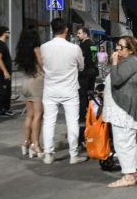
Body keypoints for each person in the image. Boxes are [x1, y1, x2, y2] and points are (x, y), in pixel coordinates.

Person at [40, 18, 87, 165]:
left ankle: (48, 154)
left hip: (50, 89)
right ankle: (73, 155)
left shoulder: (44, 47)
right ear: (66, 30)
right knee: (72, 122)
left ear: (52, 29)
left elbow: (43, 65)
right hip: (70, 89)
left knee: (48, 121)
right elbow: (81, 66)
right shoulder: (74, 48)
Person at [103, 36, 137, 187]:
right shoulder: (130, 62)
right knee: (129, 141)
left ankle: (128, 175)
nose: (117, 50)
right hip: (125, 108)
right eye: (117, 46)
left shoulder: (132, 62)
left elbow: (116, 80)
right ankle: (134, 172)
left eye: (121, 47)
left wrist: (114, 63)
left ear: (130, 49)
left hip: (124, 109)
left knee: (123, 141)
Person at [15, 27, 44, 158]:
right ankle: (35, 144)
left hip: (25, 81)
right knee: (38, 115)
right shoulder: (36, 49)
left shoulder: (22, 50)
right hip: (36, 82)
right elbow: (43, 65)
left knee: (29, 115)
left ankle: (26, 142)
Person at [76, 27, 99, 125]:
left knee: (82, 95)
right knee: (90, 94)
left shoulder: (84, 45)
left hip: (84, 73)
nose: (77, 35)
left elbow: (81, 59)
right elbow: (94, 59)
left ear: (85, 34)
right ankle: (91, 115)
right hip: (93, 72)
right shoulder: (93, 44)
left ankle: (82, 117)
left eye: (79, 33)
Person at [0, 26, 13, 117]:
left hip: (6, 73)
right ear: (3, 32)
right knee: (1, 90)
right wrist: (5, 71)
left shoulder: (2, 43)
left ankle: (5, 109)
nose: (9, 33)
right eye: (8, 31)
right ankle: (0, 110)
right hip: (0, 73)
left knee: (7, 91)